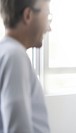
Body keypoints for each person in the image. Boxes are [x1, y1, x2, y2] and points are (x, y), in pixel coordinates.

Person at [0, 0, 51, 132]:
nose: (49, 28)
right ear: (28, 15)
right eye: (47, 16)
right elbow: (17, 128)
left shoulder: (6, 52)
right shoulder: (14, 56)